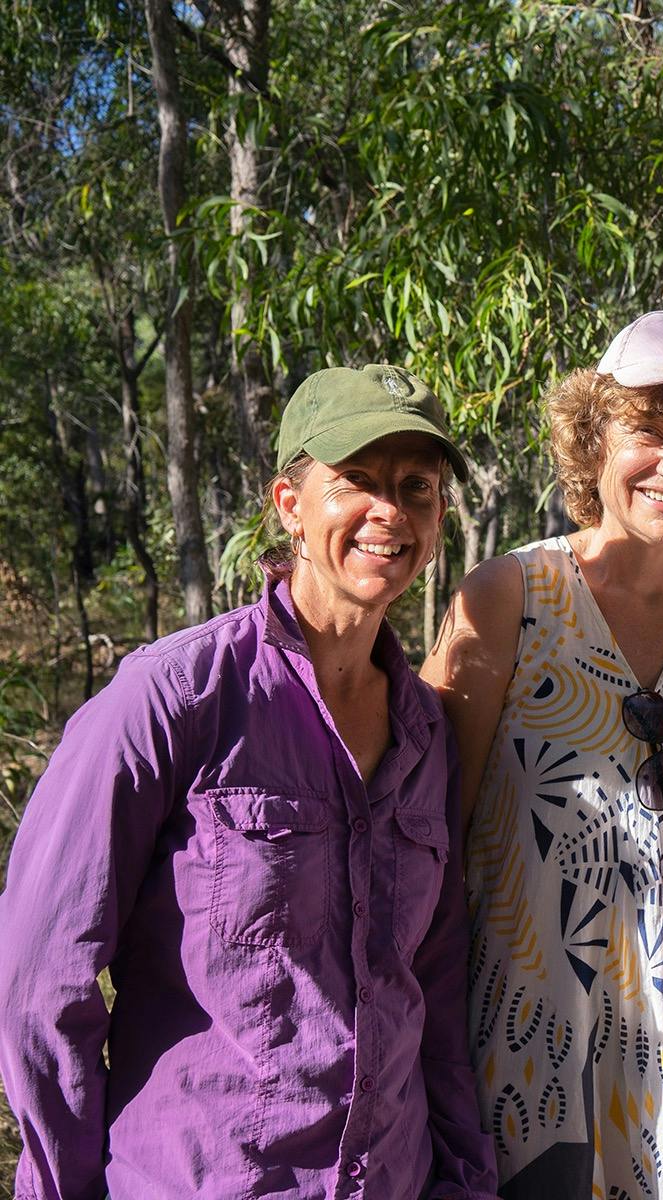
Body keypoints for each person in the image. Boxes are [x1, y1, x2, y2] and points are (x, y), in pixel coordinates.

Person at [0, 364, 496, 1197]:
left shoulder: (426, 732)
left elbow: (433, 994)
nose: (391, 512)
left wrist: (464, 1179)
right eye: (358, 482)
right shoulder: (174, 698)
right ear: (289, 503)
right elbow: (40, 980)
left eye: (418, 487)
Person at [422, 310, 663, 1198]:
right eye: (650, 431)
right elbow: (427, 826)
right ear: (592, 438)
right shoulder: (506, 598)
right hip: (542, 1029)